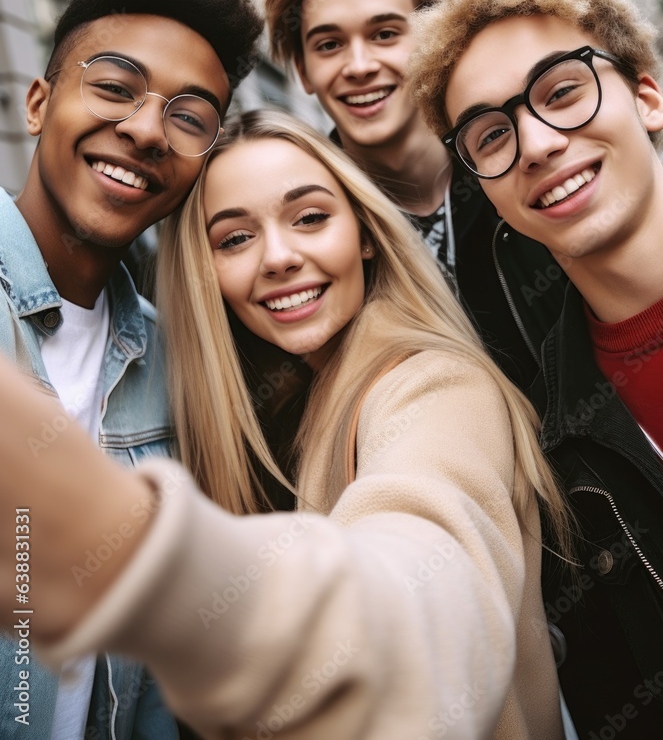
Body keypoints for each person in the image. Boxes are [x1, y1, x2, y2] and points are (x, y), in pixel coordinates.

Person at [0, 109, 571, 740]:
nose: (278, 257)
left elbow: (423, 603)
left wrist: (139, 556)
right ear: (205, 274)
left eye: (310, 217)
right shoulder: (282, 406)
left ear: (366, 233)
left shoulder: (435, 387)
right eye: (235, 239)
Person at [0, 0, 263, 740]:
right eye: (114, 87)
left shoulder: (180, 364)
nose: (147, 130)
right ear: (39, 101)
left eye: (189, 118)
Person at [409, 0, 663, 739]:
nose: (536, 144)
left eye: (560, 92)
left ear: (646, 94)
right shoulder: (542, 454)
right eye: (491, 135)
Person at [264, 0, 568, 392]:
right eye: (329, 44)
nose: (359, 66)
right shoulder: (297, 226)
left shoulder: (523, 161)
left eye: (385, 34)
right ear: (302, 69)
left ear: (430, 40)